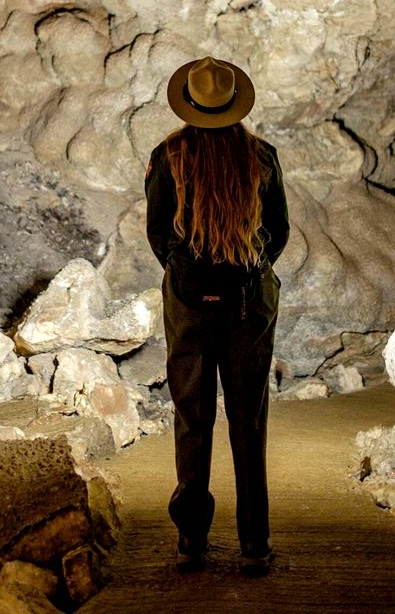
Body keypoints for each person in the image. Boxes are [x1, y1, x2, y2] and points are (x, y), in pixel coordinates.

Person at [144, 55, 289, 574]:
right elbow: (279, 231)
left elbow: (159, 232)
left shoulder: (169, 156)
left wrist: (190, 279)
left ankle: (192, 540)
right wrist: (241, 270)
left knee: (192, 418)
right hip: (248, 304)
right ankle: (254, 543)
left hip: (188, 307)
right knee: (247, 420)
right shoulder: (261, 156)